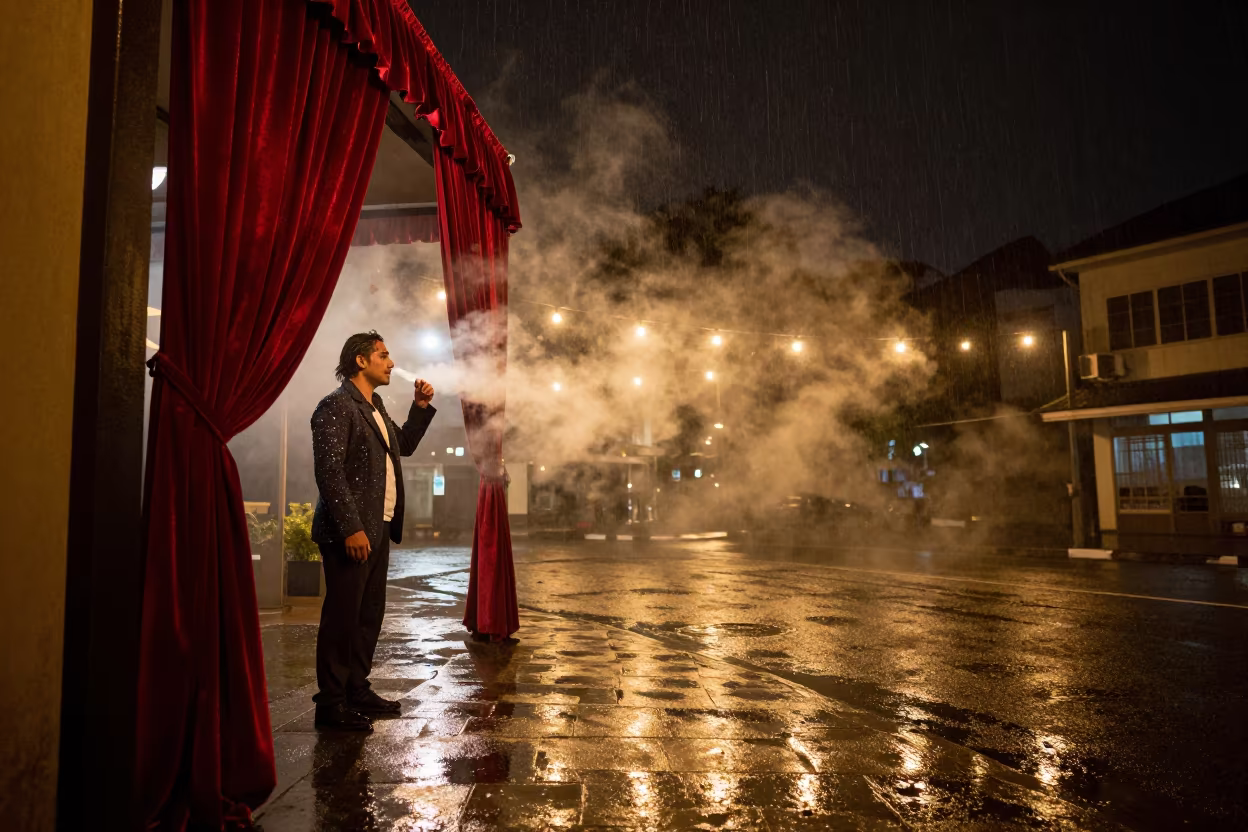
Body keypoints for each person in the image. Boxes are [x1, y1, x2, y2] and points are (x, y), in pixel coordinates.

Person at [309, 331, 436, 731]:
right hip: (352, 531)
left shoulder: (374, 406)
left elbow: (405, 446)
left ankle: (356, 688)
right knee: (342, 618)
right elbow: (329, 473)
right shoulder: (335, 406)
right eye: (383, 355)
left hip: (378, 526)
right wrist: (351, 527)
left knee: (368, 614)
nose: (392, 362)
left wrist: (419, 409)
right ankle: (331, 704)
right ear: (360, 361)